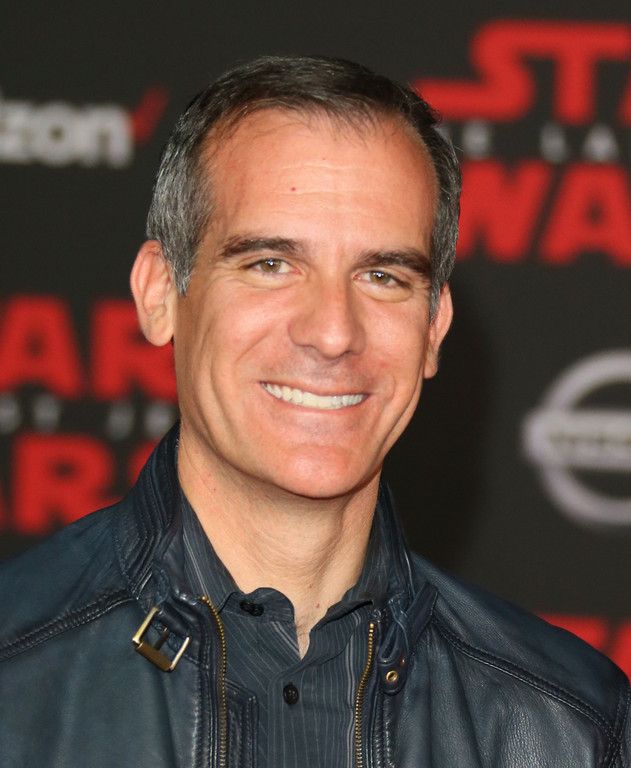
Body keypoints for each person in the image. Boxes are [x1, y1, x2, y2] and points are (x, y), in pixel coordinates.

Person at [0, 55, 628, 768]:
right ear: (159, 294)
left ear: (432, 328)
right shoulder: (15, 674)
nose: (332, 332)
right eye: (270, 264)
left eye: (382, 276)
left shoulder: (571, 728)